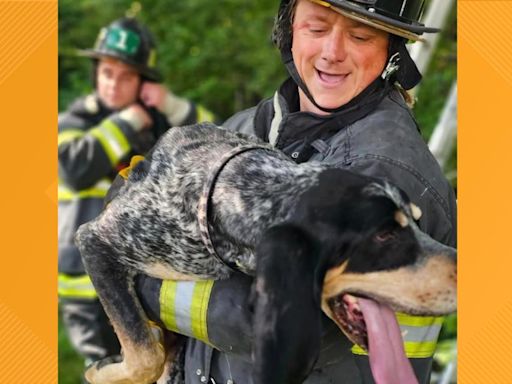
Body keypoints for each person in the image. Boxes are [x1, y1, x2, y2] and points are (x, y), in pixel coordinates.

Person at [126, 0, 456, 383]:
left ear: (392, 52)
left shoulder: (382, 173)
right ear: (289, 31)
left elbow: (261, 318)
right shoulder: (248, 128)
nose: (332, 53)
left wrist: (134, 274)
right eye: (316, 29)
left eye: (361, 35)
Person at [57, 16, 215, 377]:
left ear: (142, 82)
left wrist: (171, 106)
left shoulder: (157, 123)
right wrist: (128, 121)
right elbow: (72, 168)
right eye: (107, 73)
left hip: (142, 277)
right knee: (110, 370)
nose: (113, 84)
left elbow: (211, 137)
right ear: (96, 73)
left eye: (126, 76)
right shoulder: (74, 121)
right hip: (87, 287)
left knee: (155, 368)